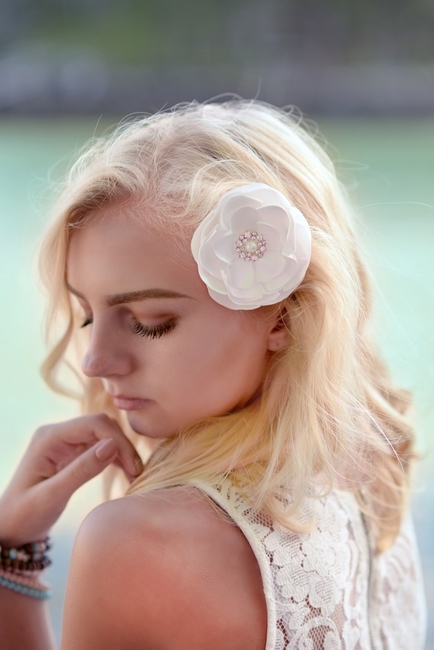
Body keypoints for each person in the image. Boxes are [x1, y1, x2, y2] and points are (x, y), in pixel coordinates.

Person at [0, 100, 426, 650]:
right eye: (87, 314)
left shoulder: (139, 542)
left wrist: (14, 553)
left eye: (151, 322)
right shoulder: (372, 458)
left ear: (284, 313)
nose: (94, 360)